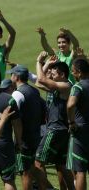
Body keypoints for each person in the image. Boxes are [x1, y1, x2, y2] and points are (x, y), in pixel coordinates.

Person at [35, 54, 75, 190]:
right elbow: (38, 83)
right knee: (61, 165)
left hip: (55, 130)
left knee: (38, 163)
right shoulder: (55, 87)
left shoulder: (65, 85)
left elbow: (40, 78)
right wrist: (47, 65)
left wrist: (39, 61)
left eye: (53, 71)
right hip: (61, 131)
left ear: (62, 74)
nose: (50, 72)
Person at [7, 65, 45, 190]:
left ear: (16, 77)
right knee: (33, 168)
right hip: (35, 135)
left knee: (25, 172)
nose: (10, 76)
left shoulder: (17, 94)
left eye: (11, 74)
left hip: (24, 139)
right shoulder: (34, 90)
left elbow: (11, 114)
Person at [67, 58, 89, 190]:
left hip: (81, 131)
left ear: (79, 72)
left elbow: (70, 105)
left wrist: (71, 122)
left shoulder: (78, 86)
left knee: (80, 170)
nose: (73, 74)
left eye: (73, 72)